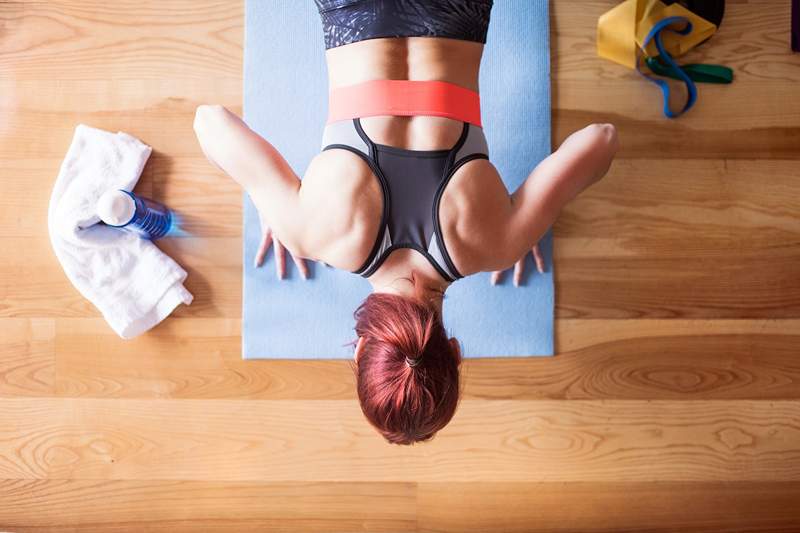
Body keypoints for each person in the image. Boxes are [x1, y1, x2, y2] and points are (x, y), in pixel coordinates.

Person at [192, 0, 619, 446]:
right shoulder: (310, 232)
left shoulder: (496, 241)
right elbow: (209, 121)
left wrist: (529, 217)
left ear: (454, 353)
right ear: (360, 352)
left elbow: (602, 139)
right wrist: (271, 204)